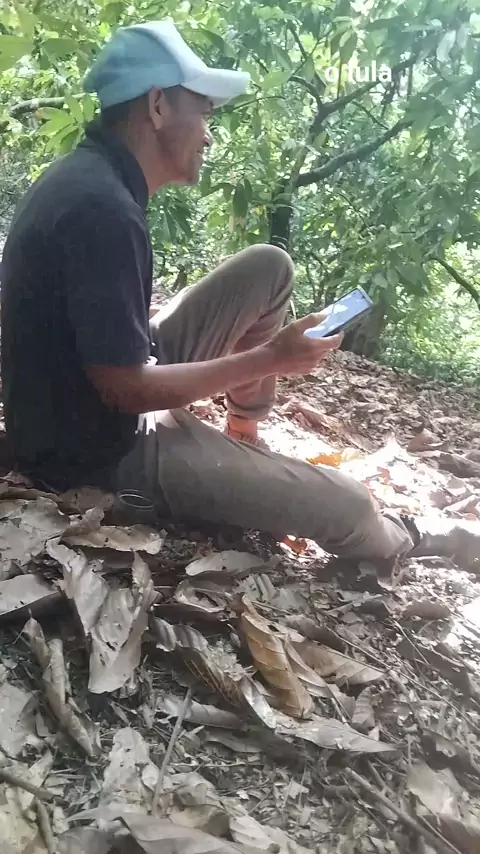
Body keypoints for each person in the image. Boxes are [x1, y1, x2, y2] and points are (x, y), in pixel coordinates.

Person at [0, 21, 413, 563]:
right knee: (352, 506)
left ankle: (243, 430)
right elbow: (126, 392)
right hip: (94, 451)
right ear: (157, 107)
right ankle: (414, 538)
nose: (209, 135)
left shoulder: (93, 179)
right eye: (204, 113)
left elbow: (112, 355)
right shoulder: (102, 209)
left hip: (83, 400)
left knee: (269, 266)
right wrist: (272, 357)